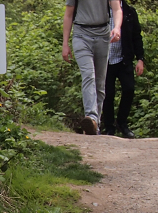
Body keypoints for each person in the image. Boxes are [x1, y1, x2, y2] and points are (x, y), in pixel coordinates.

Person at [62, 0, 123, 135]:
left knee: (100, 83)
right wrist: (65, 43)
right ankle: (91, 117)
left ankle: (95, 125)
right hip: (81, 34)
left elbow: (117, 9)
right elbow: (68, 14)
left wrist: (117, 27)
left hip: (103, 35)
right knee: (88, 75)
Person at [102, 0, 145, 138]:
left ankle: (122, 123)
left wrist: (140, 59)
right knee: (108, 94)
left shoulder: (129, 12)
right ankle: (109, 127)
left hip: (123, 59)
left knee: (129, 89)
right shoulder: (100, 12)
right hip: (105, 60)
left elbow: (136, 37)